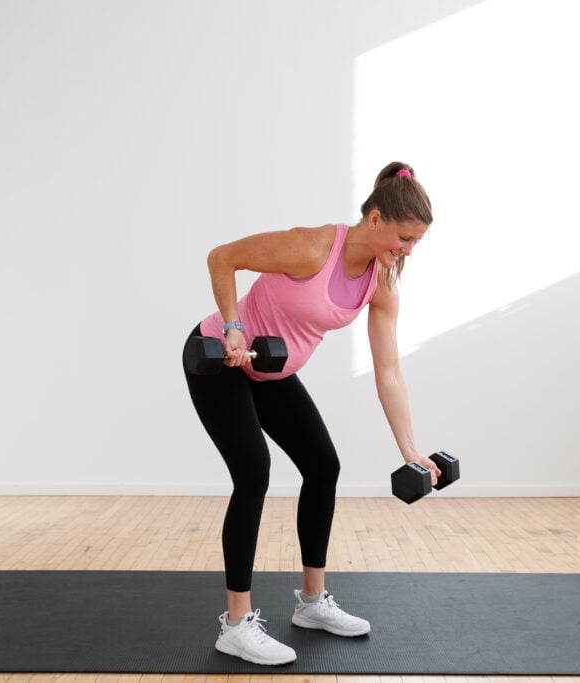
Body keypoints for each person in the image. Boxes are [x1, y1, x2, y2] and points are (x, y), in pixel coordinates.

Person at [182, 161, 439, 666]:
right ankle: (235, 626)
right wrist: (233, 326)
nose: (407, 251)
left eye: (415, 243)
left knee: (323, 466)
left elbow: (388, 370)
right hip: (220, 357)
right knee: (254, 472)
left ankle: (312, 602)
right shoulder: (313, 247)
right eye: (404, 238)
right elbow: (222, 257)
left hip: (271, 373)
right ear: (376, 218)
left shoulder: (381, 283)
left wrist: (409, 449)